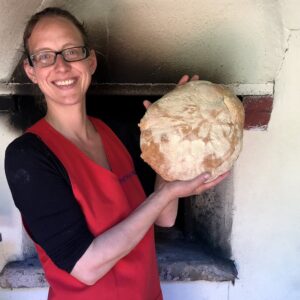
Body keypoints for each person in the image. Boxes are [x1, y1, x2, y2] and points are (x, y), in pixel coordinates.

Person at [4, 7, 229, 300]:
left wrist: (169, 138)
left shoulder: (116, 133)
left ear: (91, 61)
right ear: (31, 70)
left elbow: (164, 218)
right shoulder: (28, 156)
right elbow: (86, 266)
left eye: (72, 51)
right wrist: (162, 195)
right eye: (45, 56)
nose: (61, 66)